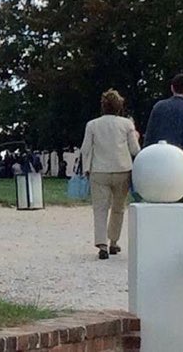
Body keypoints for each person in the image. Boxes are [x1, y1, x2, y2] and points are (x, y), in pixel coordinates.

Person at [80, 89, 141, 260]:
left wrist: (87, 167)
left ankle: (102, 244)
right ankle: (114, 241)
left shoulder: (92, 125)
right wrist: (136, 135)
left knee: (100, 209)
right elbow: (135, 149)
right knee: (118, 208)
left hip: (99, 171)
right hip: (122, 169)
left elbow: (85, 149)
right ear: (119, 106)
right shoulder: (127, 124)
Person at [143, 73, 183, 201]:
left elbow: (149, 135)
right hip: (181, 163)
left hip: (157, 161)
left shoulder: (159, 107)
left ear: (172, 88)